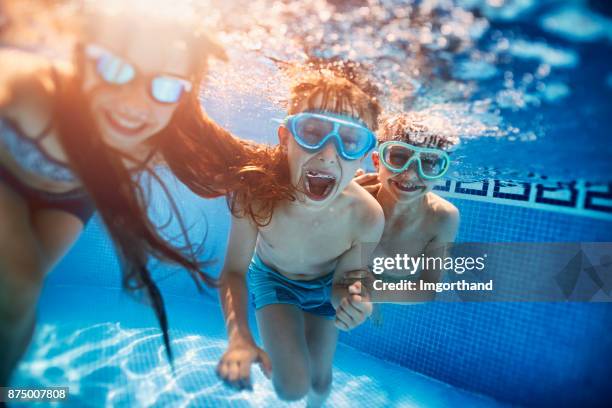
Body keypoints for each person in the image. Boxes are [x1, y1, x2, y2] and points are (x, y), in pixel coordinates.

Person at [0, 3, 226, 385]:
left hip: (69, 199)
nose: (136, 101)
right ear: (82, 56)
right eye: (114, 68)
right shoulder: (26, 89)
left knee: (17, 301)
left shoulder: (163, 136)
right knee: (18, 285)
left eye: (166, 85)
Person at [185, 70, 385, 406]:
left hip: (324, 288)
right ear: (285, 137)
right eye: (311, 131)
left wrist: (353, 301)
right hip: (274, 281)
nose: (327, 153)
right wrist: (239, 337)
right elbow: (234, 270)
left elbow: (345, 282)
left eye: (349, 140)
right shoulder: (258, 194)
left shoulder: (366, 216)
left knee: (320, 384)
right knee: (291, 387)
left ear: (363, 155)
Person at [354, 112, 460, 302]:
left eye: (428, 162)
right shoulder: (356, 199)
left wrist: (369, 294)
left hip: (399, 283)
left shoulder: (443, 217)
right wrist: (338, 199)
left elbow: (427, 289)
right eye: (399, 157)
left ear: (440, 173)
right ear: (378, 162)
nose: (409, 175)